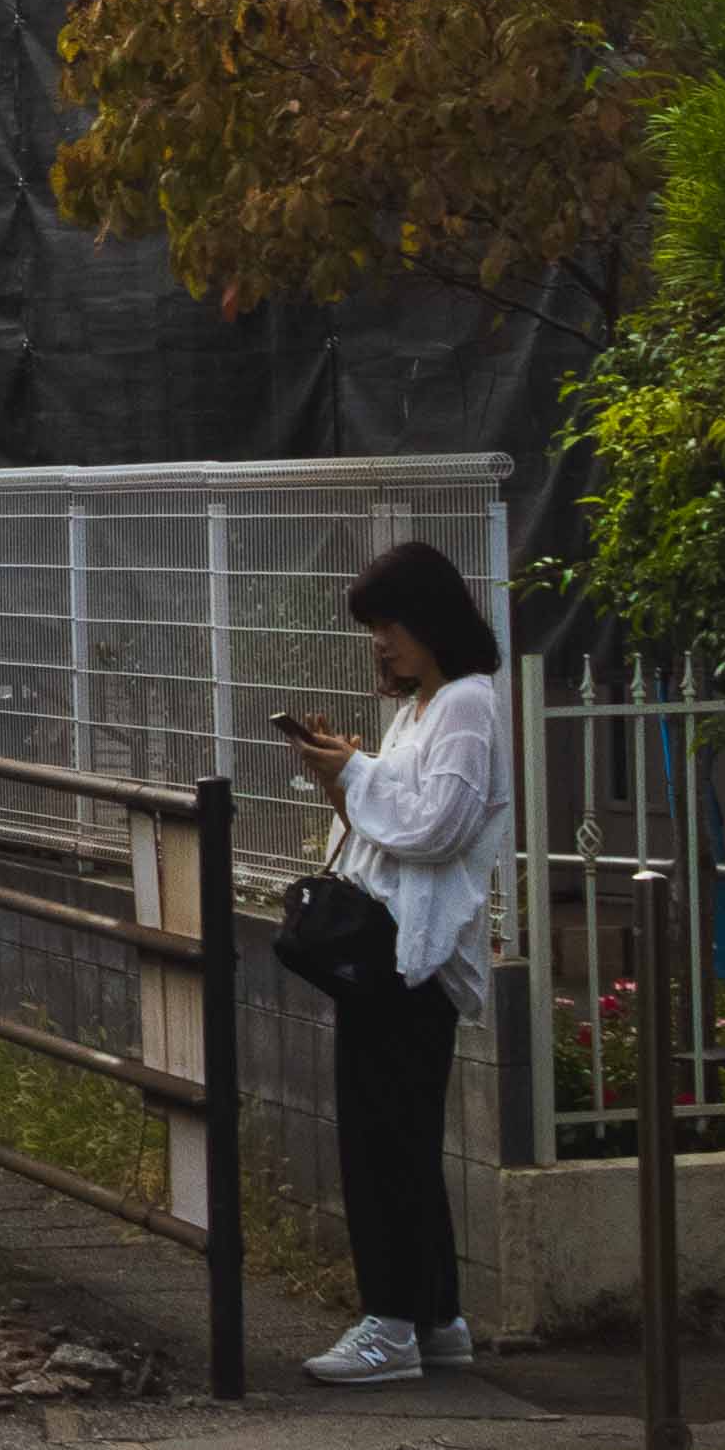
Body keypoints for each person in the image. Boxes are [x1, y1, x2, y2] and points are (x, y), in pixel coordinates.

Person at [279, 539, 515, 1389]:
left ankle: (388, 1327)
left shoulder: (464, 706)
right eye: (373, 628)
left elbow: (434, 828)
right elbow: (397, 816)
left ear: (433, 618)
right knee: (400, 1139)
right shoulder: (426, 705)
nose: (380, 642)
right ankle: (437, 1320)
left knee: (382, 1144)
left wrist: (359, 775)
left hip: (407, 959)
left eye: (391, 623)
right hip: (396, 950)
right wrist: (345, 775)